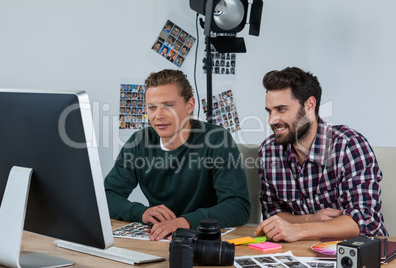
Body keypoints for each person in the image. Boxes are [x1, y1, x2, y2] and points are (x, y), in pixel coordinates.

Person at [104, 69, 251, 241]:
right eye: (152, 107)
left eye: (168, 106)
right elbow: (107, 195)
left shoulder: (217, 139)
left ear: (190, 105)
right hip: (158, 240)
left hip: (205, 240)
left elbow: (238, 206)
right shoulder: (139, 141)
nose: (158, 116)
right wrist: (142, 212)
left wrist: (186, 221)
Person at [255, 67, 388, 242]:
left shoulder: (348, 145)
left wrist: (299, 230)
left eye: (281, 109)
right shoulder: (269, 151)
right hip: (297, 254)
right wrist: (310, 219)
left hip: (357, 254)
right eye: (269, 111)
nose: (272, 120)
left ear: (310, 105)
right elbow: (273, 215)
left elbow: (366, 220)